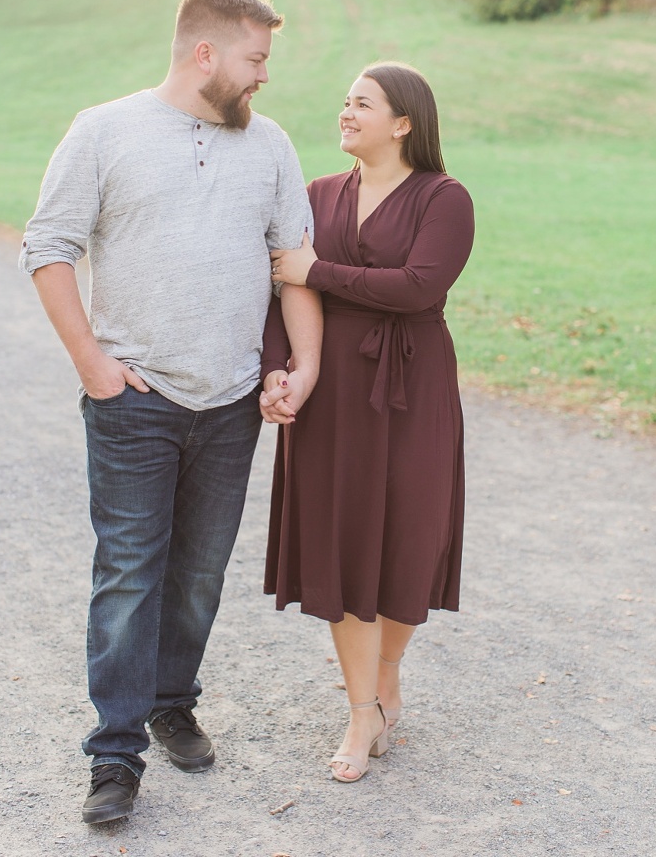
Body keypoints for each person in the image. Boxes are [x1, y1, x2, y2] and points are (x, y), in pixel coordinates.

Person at [19, 0, 322, 824]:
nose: (264, 76)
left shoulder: (271, 146)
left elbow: (292, 262)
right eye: (255, 59)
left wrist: (303, 366)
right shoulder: (104, 130)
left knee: (196, 574)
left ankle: (170, 701)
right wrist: (93, 364)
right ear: (206, 54)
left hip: (229, 404)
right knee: (127, 574)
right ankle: (115, 755)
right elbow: (47, 248)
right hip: (135, 403)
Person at [260, 61, 474, 783]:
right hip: (334, 394)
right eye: (345, 102)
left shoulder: (446, 198)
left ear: (404, 122)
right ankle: (361, 710)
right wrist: (278, 368)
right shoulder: (318, 194)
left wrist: (315, 270)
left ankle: (388, 676)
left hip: (415, 384)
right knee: (343, 542)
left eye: (362, 104)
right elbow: (278, 290)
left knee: (410, 536)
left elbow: (419, 288)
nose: (346, 113)